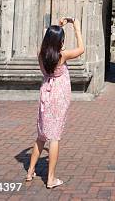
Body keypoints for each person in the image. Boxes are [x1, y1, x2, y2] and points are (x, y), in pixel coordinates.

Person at [25, 17, 84, 189]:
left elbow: (50, 39)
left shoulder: (41, 54)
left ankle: (30, 171)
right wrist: (77, 28)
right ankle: (50, 179)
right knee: (55, 137)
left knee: (41, 135)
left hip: (45, 94)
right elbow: (81, 49)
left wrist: (57, 27)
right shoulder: (62, 55)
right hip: (58, 95)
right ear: (60, 42)